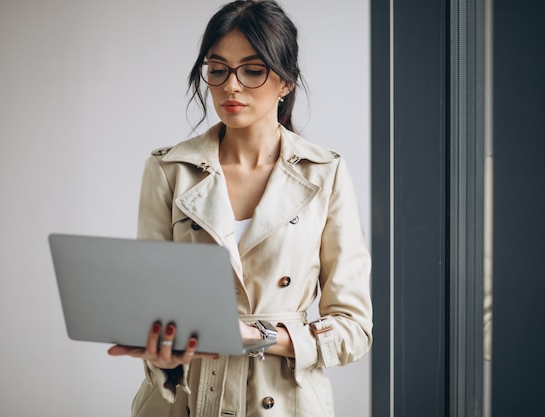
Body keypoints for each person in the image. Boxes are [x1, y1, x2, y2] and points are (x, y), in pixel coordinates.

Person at [108, 1, 373, 416]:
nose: (231, 87)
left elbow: (354, 328)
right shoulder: (168, 170)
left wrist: (258, 335)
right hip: (185, 401)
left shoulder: (325, 174)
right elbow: (154, 308)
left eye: (252, 70)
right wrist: (161, 356)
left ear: (285, 81)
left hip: (285, 402)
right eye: (218, 69)